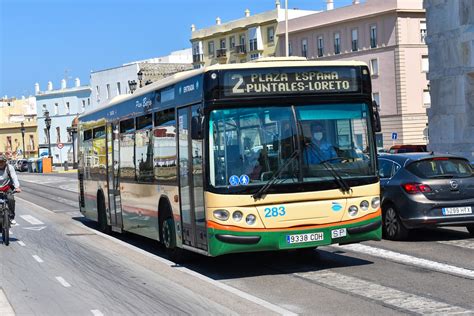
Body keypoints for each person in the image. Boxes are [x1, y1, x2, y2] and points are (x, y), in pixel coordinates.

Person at [0, 154, 21, 224]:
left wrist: (17, 187)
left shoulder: (9, 167)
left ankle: (11, 217)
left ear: (5, 162)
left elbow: (14, 177)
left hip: (7, 187)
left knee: (11, 199)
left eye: (2, 161)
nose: (1, 163)